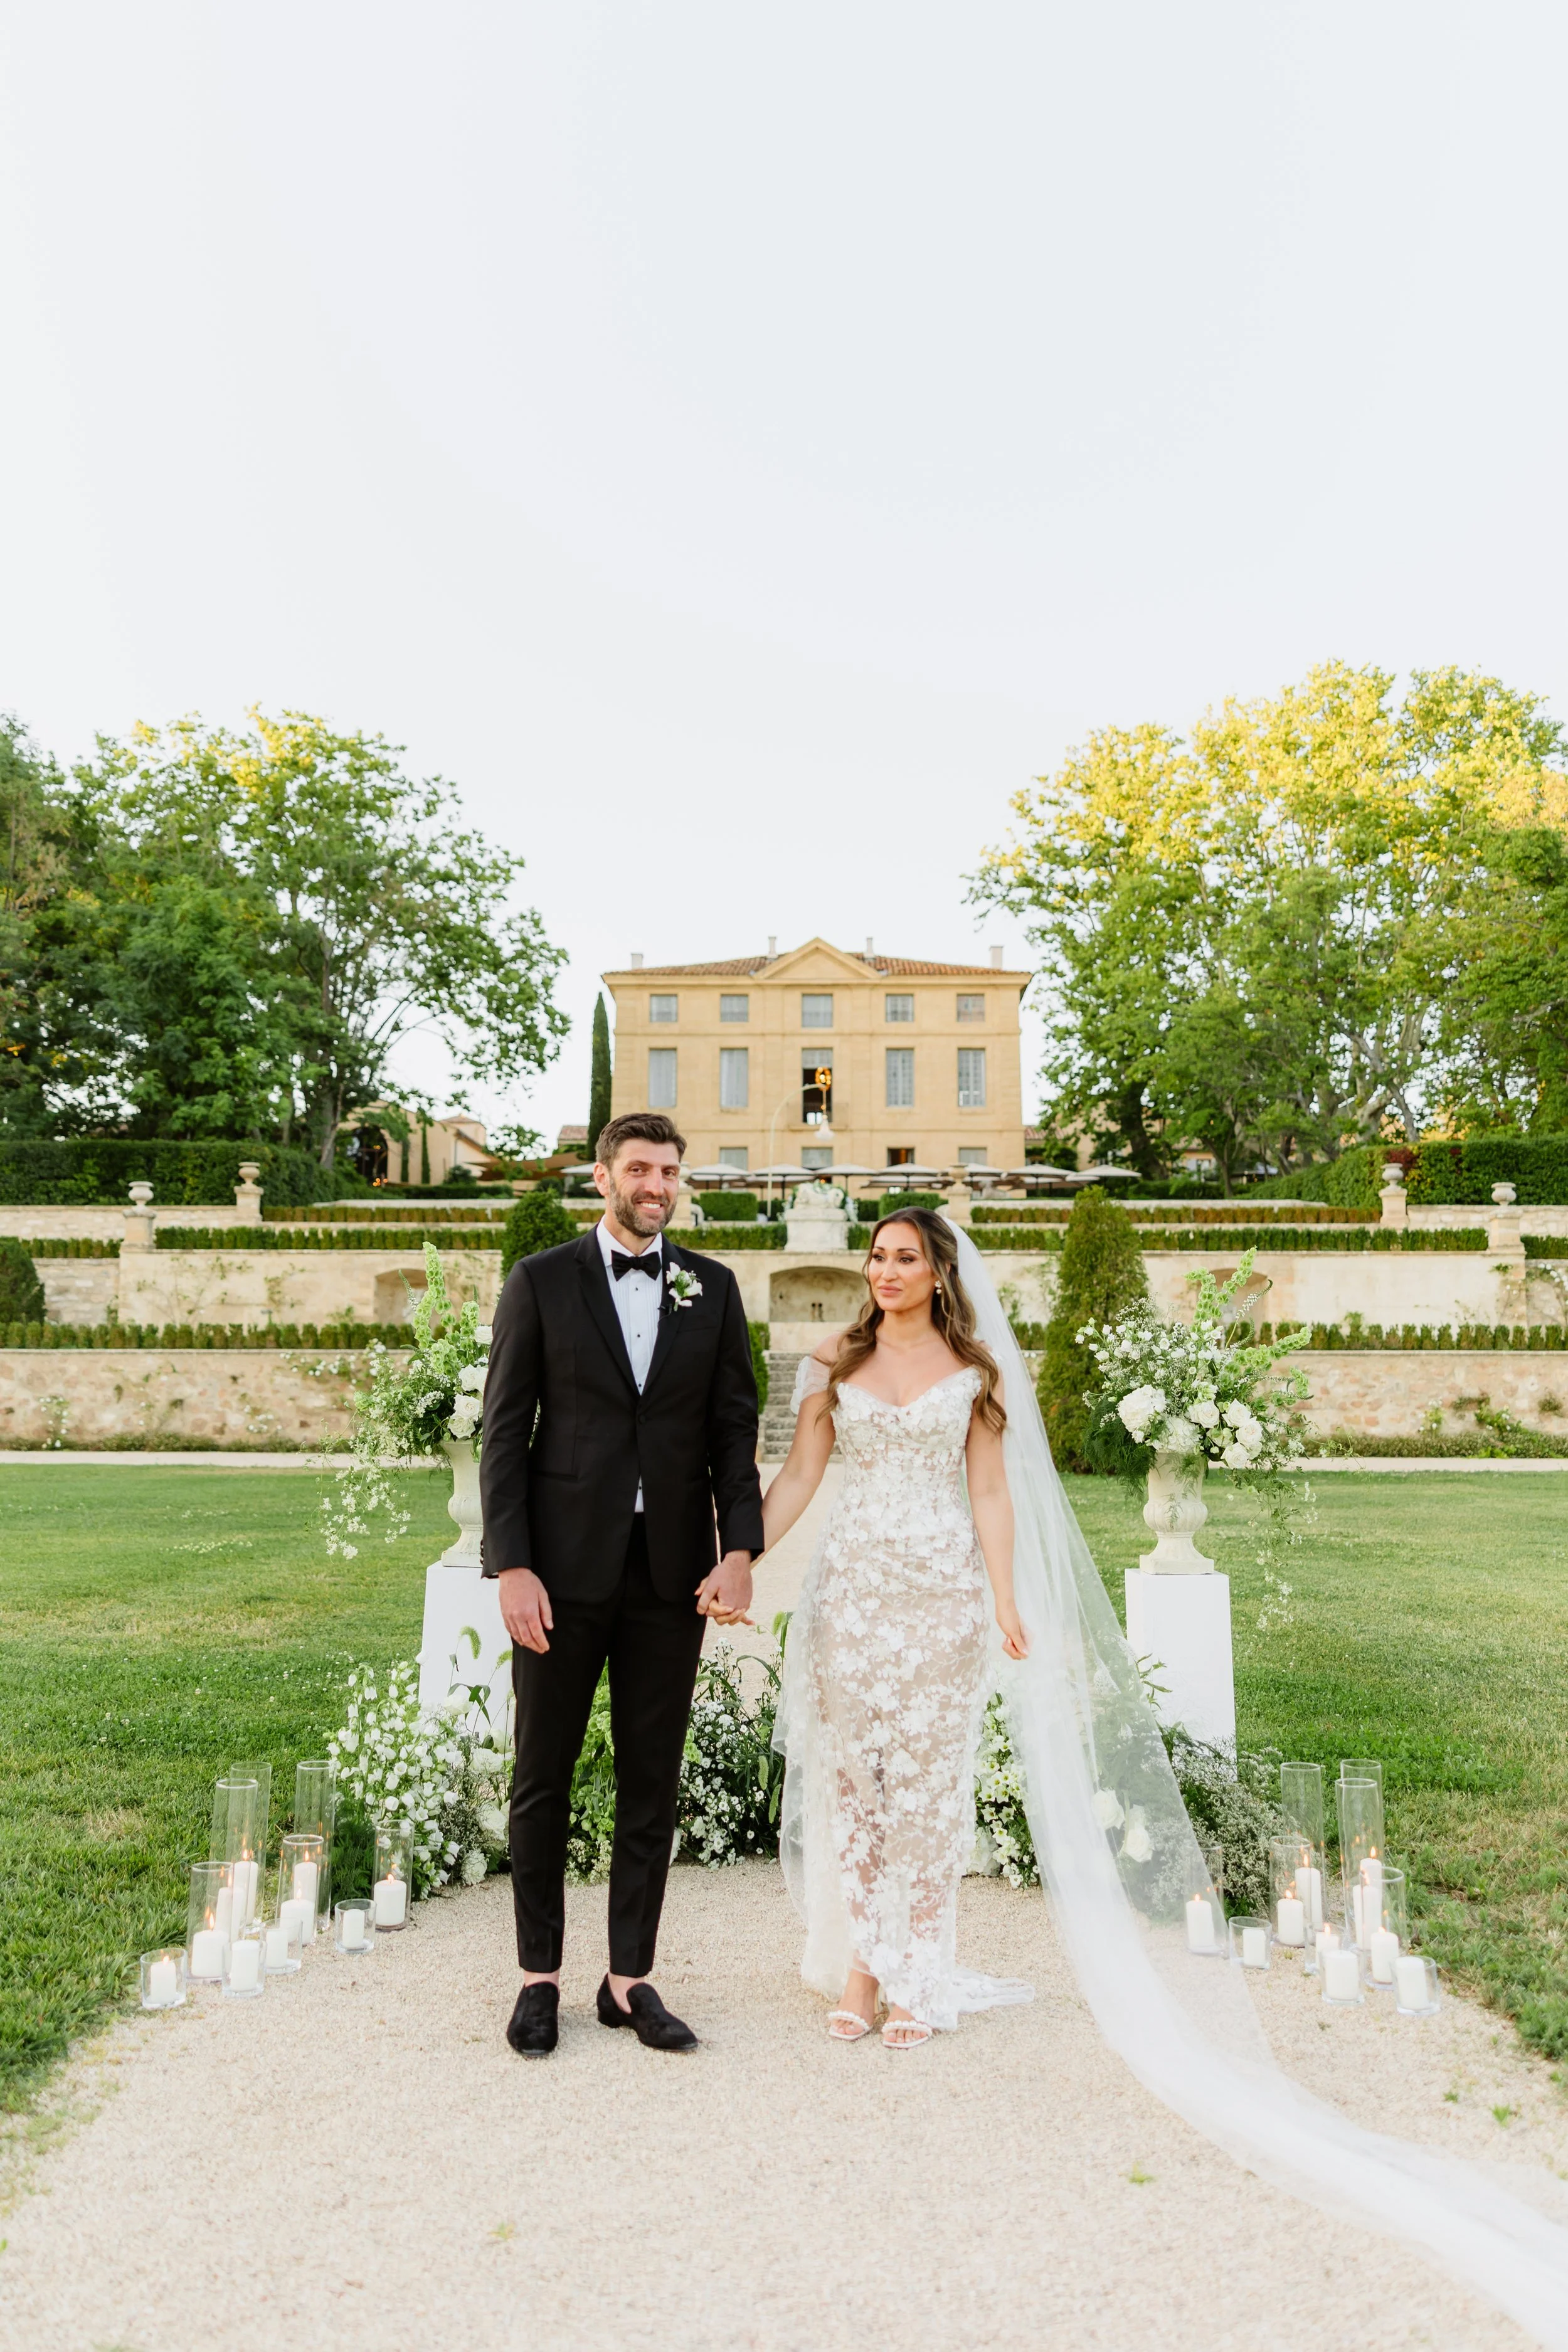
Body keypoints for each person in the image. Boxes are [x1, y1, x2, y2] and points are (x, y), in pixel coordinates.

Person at [479, 1111, 763, 2057]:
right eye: (640, 1169)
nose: (656, 1185)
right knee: (542, 1777)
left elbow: (732, 1428)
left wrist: (740, 1550)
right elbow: (504, 1431)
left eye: (669, 1171)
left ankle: (628, 1978)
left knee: (652, 1778)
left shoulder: (712, 1288)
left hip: (671, 1576)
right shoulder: (540, 1281)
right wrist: (513, 1564)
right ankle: (539, 1978)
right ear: (602, 1177)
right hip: (559, 1573)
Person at [763, 1207, 1034, 2046]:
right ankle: (862, 1967)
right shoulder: (836, 1359)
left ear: (940, 1272)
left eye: (905, 1258)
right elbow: (800, 1474)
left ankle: (917, 1968)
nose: (886, 1271)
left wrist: (1004, 1598)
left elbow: (989, 1489)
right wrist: (737, 1557)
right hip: (851, 1590)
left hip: (944, 1591)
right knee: (856, 1780)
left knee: (928, 1783)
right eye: (878, 1256)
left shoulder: (975, 1369)